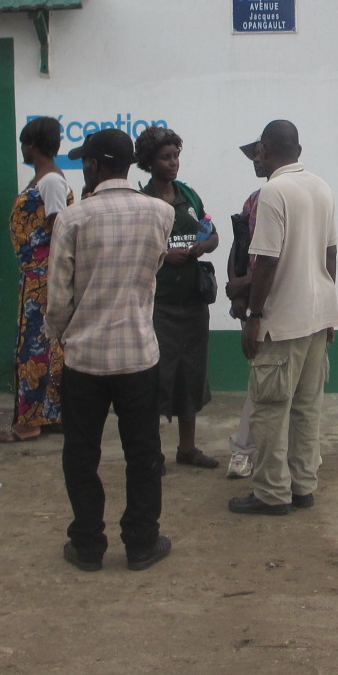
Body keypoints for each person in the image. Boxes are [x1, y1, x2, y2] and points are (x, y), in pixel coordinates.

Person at [46, 128, 174, 573]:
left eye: (85, 161)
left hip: (86, 356)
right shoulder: (160, 212)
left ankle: (87, 544)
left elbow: (58, 296)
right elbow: (153, 269)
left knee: (81, 453)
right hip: (138, 353)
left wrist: (59, 335)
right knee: (143, 453)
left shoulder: (73, 218)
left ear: (94, 166)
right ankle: (141, 543)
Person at [229, 120, 338, 516]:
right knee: (307, 407)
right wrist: (329, 308)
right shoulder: (321, 187)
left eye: (257, 151)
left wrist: (255, 316)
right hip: (316, 317)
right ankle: (302, 486)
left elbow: (266, 263)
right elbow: (330, 255)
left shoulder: (274, 192)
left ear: (264, 149)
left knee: (271, 408)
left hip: (283, 320)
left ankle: (271, 494)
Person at [136, 125, 221, 471]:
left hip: (193, 304)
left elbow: (212, 233)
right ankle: (151, 451)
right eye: (165, 157)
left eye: (176, 156)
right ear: (148, 162)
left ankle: (187, 448)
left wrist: (203, 245)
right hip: (158, 306)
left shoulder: (189, 195)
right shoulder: (143, 203)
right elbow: (136, 248)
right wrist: (162, 255)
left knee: (191, 373)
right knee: (157, 376)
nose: (173, 163)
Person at [0, 117, 73, 443]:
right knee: (48, 347)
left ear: (32, 145)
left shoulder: (50, 181)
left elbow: (58, 225)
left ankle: (29, 422)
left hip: (44, 277)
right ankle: (50, 414)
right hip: (36, 276)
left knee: (34, 349)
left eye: (24, 144)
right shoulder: (43, 178)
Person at [223, 141, 272, 479]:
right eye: (252, 154)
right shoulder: (253, 201)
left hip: (279, 302)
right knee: (260, 381)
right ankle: (244, 451)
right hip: (256, 302)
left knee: (274, 386)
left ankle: (252, 451)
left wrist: (244, 286)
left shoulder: (287, 200)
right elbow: (241, 249)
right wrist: (239, 293)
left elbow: (276, 261)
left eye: (260, 152)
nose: (255, 159)